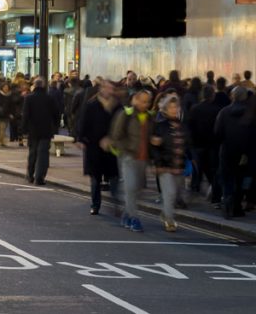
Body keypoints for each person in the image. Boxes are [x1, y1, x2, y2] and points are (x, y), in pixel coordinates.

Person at [107, 88, 154, 232]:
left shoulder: (151, 117)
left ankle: (126, 215)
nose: (145, 104)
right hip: (127, 157)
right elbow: (116, 136)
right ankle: (134, 218)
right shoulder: (126, 115)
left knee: (137, 190)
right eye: (143, 101)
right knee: (131, 188)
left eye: (148, 102)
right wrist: (126, 149)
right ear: (136, 100)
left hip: (143, 159)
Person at [77, 79, 121, 216]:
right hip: (94, 147)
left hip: (111, 148)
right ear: (101, 89)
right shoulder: (92, 104)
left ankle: (116, 204)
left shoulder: (117, 107)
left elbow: (121, 127)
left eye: (111, 88)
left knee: (114, 177)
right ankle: (95, 205)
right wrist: (81, 139)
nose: (109, 91)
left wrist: (114, 139)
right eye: (107, 88)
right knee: (95, 178)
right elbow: (83, 122)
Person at [151, 93, 186, 232]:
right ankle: (170, 221)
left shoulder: (182, 126)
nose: (173, 110)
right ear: (165, 109)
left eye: (176, 107)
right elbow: (154, 147)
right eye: (171, 107)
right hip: (165, 166)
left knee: (174, 194)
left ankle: (166, 213)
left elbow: (188, 144)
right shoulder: (160, 126)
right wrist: (158, 164)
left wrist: (192, 160)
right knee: (169, 193)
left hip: (178, 166)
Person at [214, 86, 251, 218]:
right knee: (240, 180)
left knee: (227, 178)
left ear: (232, 96)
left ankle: (228, 204)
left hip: (227, 150)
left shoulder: (224, 112)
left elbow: (217, 133)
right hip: (244, 153)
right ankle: (237, 206)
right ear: (245, 97)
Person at [185, 85, 223, 205]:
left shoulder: (195, 108)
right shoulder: (217, 110)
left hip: (197, 144)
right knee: (212, 169)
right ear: (212, 95)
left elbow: (189, 127)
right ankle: (214, 194)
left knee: (198, 168)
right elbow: (218, 130)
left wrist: (190, 143)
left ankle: (194, 190)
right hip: (212, 144)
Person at [22, 77, 59, 186]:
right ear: (43, 86)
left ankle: (30, 175)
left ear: (34, 85)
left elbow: (25, 115)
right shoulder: (49, 98)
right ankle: (39, 177)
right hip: (46, 130)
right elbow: (56, 114)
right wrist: (55, 127)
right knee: (43, 154)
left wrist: (24, 129)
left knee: (32, 153)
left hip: (33, 130)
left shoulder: (29, 98)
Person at [0, 81, 12, 147]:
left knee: (4, 128)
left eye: (7, 87)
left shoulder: (9, 95)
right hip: (1, 114)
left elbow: (11, 105)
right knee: (2, 128)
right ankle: (1, 142)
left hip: (7, 114)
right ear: (2, 88)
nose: (6, 88)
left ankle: (2, 141)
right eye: (4, 87)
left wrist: (11, 113)